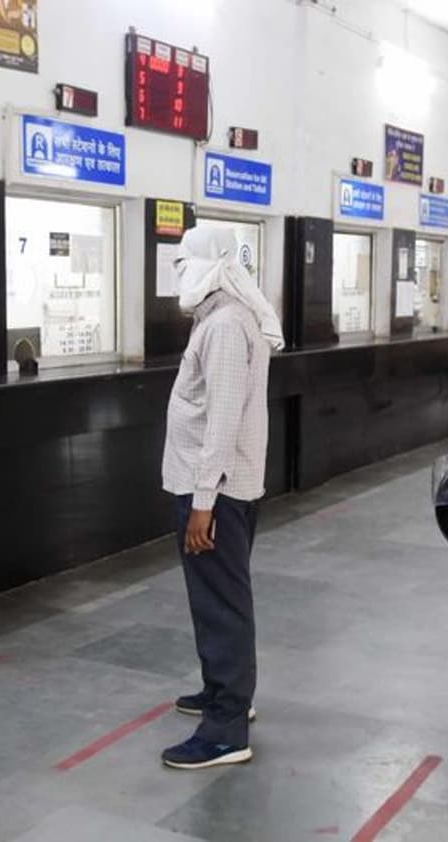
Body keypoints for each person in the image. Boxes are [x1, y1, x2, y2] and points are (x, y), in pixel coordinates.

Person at [159, 226, 284, 770]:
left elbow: (223, 420)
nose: (177, 272)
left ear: (210, 265)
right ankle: (223, 691)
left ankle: (226, 730)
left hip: (216, 491)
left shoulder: (227, 325)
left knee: (221, 605)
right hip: (215, 486)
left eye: (184, 262)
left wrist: (203, 501)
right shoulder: (217, 317)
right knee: (214, 599)